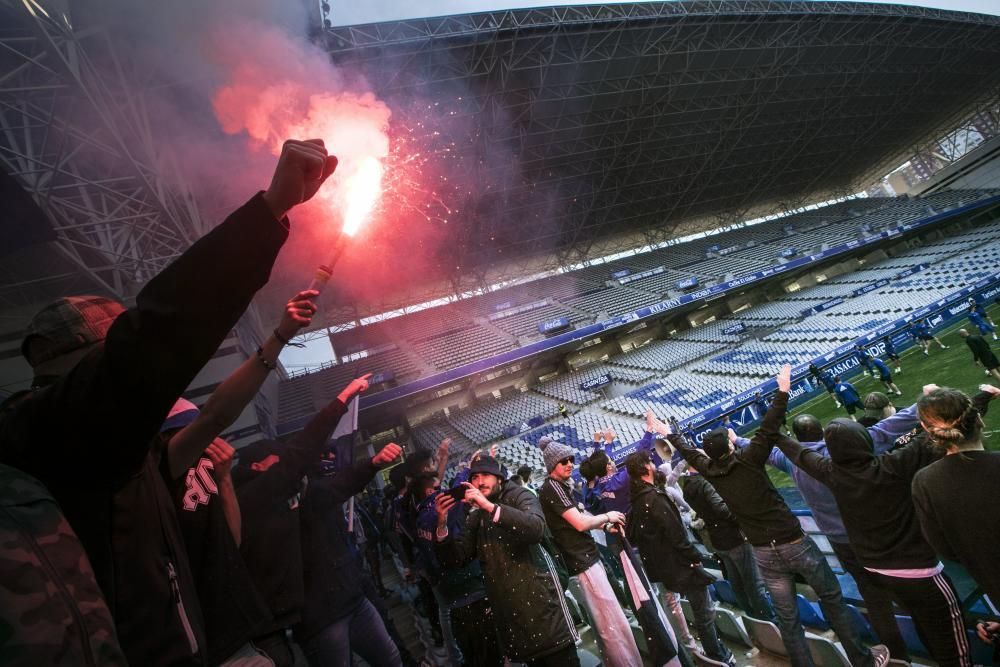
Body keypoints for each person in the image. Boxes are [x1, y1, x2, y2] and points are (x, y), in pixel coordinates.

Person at [0, 138, 338, 666]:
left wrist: (277, 338)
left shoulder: (130, 456)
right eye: (114, 347)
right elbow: (157, 335)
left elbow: (216, 415)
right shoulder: (56, 438)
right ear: (86, 364)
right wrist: (269, 210)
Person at [672, 366, 888, 667]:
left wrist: (670, 434)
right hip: (793, 542)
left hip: (763, 552)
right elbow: (770, 426)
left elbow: (689, 452)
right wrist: (783, 389)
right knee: (832, 597)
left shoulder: (709, 470)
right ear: (731, 444)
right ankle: (862, 660)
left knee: (788, 618)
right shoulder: (749, 459)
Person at [773, 382, 972, 667]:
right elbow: (908, 432)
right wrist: (958, 401)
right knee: (940, 626)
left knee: (880, 603)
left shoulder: (823, 469)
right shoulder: (889, 466)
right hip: (915, 565)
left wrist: (762, 432)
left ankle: (898, 658)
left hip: (865, 558)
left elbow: (789, 449)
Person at [737, 403, 921, 660]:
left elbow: (765, 451)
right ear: (822, 431)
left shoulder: (794, 460)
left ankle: (900, 657)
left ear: (798, 437)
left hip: (841, 541)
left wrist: (738, 439)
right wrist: (921, 404)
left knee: (873, 596)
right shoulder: (845, 451)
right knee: (906, 587)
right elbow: (889, 428)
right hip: (873, 534)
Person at [233, 374, 374, 667]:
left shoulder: (293, 497)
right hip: (304, 622)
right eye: (278, 462)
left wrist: (372, 465)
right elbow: (301, 453)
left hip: (319, 608)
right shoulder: (253, 500)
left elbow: (336, 487)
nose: (289, 468)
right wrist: (342, 398)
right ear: (257, 467)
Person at [434, 455, 580, 667]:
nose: (480, 481)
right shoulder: (475, 515)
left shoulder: (519, 495)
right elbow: (455, 559)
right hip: (515, 618)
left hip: (545, 609)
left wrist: (490, 508)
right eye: (475, 477)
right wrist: (441, 525)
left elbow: (535, 529)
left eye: (486, 475)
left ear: (500, 479)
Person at [537, 440, 642, 667]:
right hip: (581, 562)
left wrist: (603, 526)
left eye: (571, 459)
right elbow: (579, 523)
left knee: (609, 625)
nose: (569, 464)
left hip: (583, 559)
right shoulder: (552, 487)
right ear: (551, 465)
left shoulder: (558, 486)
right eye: (563, 461)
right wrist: (607, 517)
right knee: (612, 626)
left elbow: (579, 521)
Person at [625, 449, 735, 665]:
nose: (653, 463)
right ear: (645, 467)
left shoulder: (637, 501)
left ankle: (695, 652)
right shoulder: (653, 498)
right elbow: (676, 534)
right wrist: (694, 557)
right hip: (680, 565)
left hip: (662, 569)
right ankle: (716, 654)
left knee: (680, 610)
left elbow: (634, 536)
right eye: (650, 461)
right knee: (704, 612)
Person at [912, 385, 1000, 615]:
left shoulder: (925, 482)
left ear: (926, 429)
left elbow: (945, 548)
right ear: (978, 418)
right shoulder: (925, 482)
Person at [413, 474, 502, 666]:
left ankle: (458, 659)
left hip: (448, 592)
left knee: (472, 651)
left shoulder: (419, 516)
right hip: (471, 588)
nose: (444, 491)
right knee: (492, 650)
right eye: (438, 488)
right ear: (430, 492)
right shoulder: (443, 512)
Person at [680, 469, 774, 622]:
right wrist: (743, 516)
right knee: (754, 583)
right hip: (733, 539)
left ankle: (752, 618)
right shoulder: (705, 483)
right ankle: (769, 619)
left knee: (736, 582)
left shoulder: (688, 487)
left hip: (717, 540)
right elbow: (721, 508)